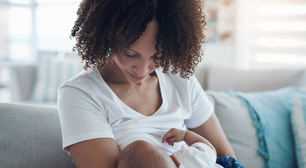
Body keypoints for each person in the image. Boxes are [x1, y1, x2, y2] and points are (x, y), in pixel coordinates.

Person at [57, 0, 237, 167]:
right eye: (131, 53)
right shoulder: (80, 94)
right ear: (107, 36)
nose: (142, 70)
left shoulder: (180, 79)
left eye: (157, 56)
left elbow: (226, 159)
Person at [117, 128, 225, 168]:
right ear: (174, 159)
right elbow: (210, 150)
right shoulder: (189, 159)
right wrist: (185, 135)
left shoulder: (191, 160)